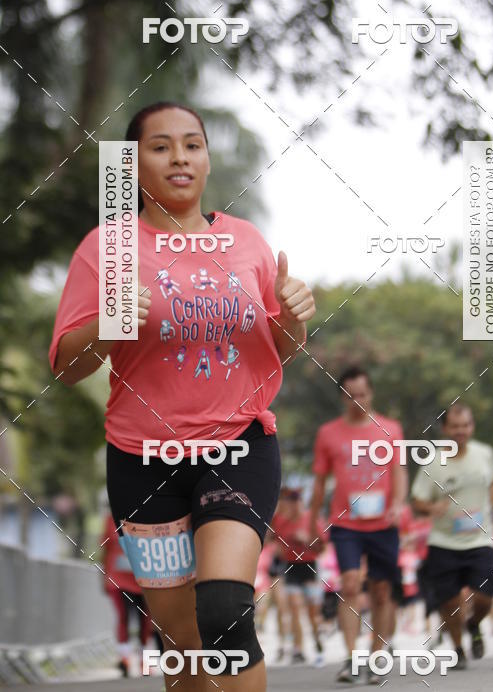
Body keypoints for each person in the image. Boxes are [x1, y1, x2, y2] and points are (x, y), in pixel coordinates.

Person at [49, 102, 316, 692]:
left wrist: (294, 318)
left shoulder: (246, 243)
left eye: (192, 145)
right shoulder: (107, 248)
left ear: (207, 158)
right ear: (133, 163)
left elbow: (276, 350)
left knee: (223, 614)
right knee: (183, 644)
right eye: (161, 146)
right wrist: (108, 325)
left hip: (237, 448)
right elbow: (69, 367)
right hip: (143, 462)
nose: (179, 158)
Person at [309, 366, 407, 685]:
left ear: (371, 393)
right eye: (351, 395)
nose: (358, 400)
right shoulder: (328, 433)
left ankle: (377, 657)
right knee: (349, 584)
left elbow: (400, 472)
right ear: (342, 396)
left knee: (381, 591)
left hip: (383, 523)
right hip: (346, 522)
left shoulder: (390, 428)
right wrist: (313, 519)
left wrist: (397, 504)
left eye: (363, 394)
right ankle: (351, 659)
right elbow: (320, 481)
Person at [412, 403, 493, 670]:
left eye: (465, 426)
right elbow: (417, 501)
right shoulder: (433, 462)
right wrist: (432, 508)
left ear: (472, 427)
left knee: (485, 596)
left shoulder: (484, 454)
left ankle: (474, 624)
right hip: (444, 543)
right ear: (445, 429)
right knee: (450, 601)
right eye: (455, 426)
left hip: (479, 540)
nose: (460, 431)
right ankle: (457, 648)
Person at [270, 487, 327, 667]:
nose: (293, 505)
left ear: (301, 502)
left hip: (310, 567)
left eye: (296, 501)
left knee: (312, 612)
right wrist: (279, 548)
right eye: (288, 501)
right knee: (294, 606)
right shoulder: (279, 521)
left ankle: (317, 637)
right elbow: (271, 538)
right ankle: (298, 649)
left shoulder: (311, 519)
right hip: (291, 567)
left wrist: (306, 541)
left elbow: (322, 548)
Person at [99, 513, 153, 676]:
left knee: (146, 621)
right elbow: (105, 550)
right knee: (123, 617)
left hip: (145, 579)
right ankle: (125, 659)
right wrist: (103, 577)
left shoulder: (148, 515)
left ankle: (145, 661)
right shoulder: (110, 518)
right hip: (118, 579)